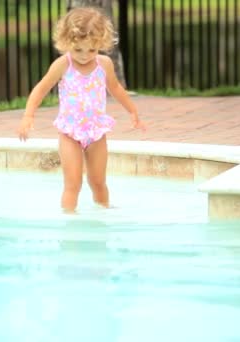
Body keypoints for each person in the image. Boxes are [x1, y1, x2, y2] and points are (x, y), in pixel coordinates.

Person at [17, 6, 146, 213]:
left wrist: (133, 112)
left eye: (92, 50)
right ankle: (70, 220)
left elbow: (116, 89)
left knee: (98, 182)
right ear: (67, 43)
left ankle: (104, 212)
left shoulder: (104, 65)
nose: (85, 56)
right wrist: (28, 115)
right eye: (78, 50)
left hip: (96, 132)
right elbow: (40, 89)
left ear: (100, 45)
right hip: (70, 133)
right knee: (73, 183)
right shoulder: (63, 65)